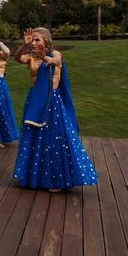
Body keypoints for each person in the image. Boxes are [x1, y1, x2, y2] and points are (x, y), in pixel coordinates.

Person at [12, 28, 97, 192]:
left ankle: (56, 179)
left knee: (53, 139)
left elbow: (54, 61)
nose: (35, 43)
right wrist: (24, 45)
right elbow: (17, 58)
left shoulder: (56, 53)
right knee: (34, 137)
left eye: (38, 40)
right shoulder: (31, 57)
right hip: (34, 99)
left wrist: (44, 56)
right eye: (33, 40)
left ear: (46, 41)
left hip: (51, 101)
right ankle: (33, 177)